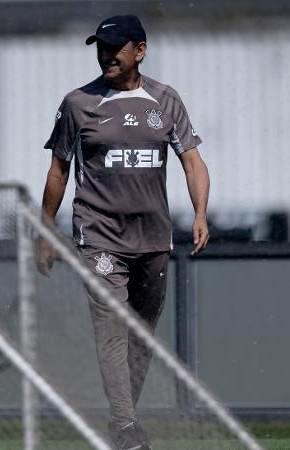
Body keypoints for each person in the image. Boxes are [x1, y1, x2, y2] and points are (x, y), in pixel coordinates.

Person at [37, 15, 210, 450]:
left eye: (116, 46)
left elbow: (192, 161)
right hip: (98, 234)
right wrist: (45, 230)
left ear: (140, 50)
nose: (106, 54)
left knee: (141, 335)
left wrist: (201, 213)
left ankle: (120, 422)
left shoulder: (165, 100)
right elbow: (58, 170)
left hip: (153, 237)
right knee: (111, 325)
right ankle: (126, 427)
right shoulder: (78, 103)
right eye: (101, 46)